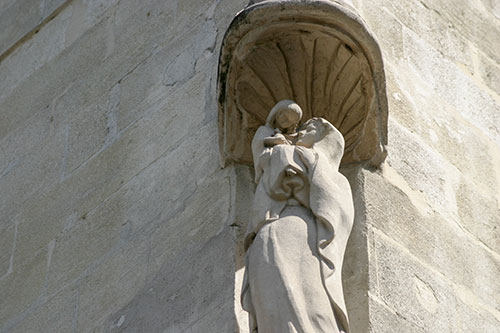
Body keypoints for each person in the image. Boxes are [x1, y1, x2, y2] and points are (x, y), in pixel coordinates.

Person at [242, 100, 354, 333]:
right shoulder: (273, 148)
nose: (303, 131)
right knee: (272, 304)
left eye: (310, 130)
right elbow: (269, 172)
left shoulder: (329, 174)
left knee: (315, 305)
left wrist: (303, 159)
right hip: (270, 230)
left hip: (305, 235)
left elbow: (335, 211)